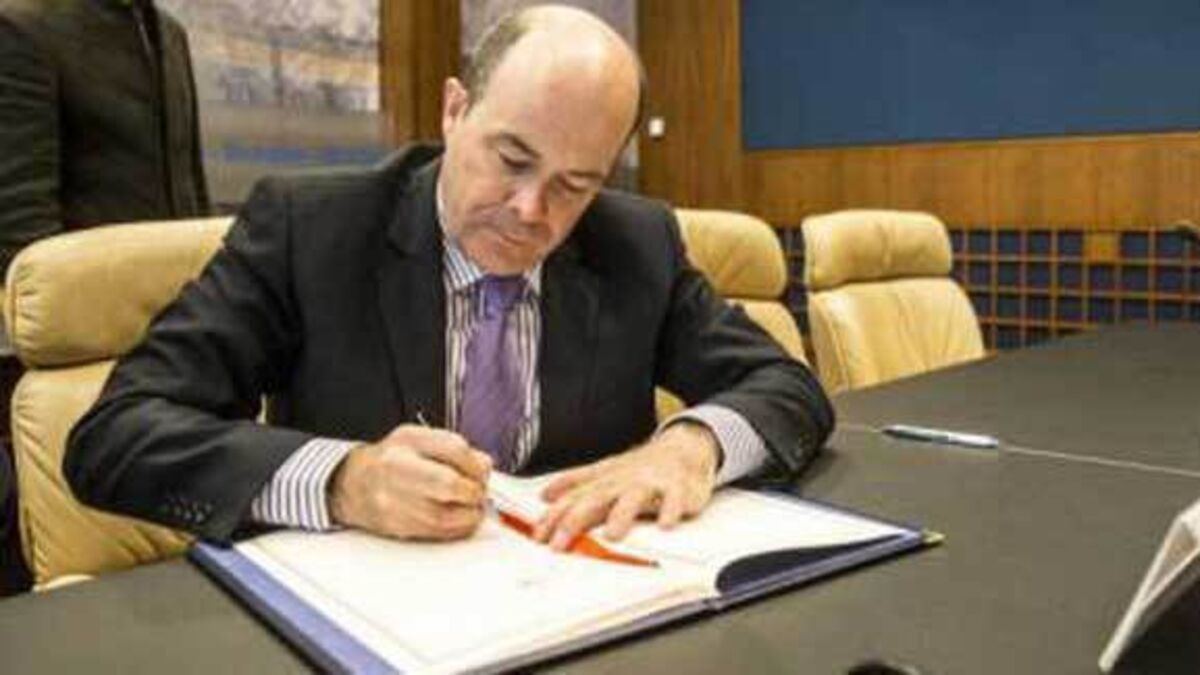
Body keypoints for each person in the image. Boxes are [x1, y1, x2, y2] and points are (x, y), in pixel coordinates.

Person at [65, 6, 834, 552]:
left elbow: (786, 385)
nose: (531, 210)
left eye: (575, 184)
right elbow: (115, 435)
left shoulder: (636, 243)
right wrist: (343, 479)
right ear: (454, 109)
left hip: (586, 607)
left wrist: (693, 445)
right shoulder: (313, 231)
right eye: (512, 158)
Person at [0, 0, 209, 595]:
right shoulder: (22, 28)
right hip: (81, 359)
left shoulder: (168, 32)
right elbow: (22, 236)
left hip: (182, 349)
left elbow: (188, 200)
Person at [0, 0, 210, 274]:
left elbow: (191, 188)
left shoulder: (171, 34)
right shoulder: (22, 27)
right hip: (88, 288)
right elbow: (20, 215)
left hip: (177, 288)